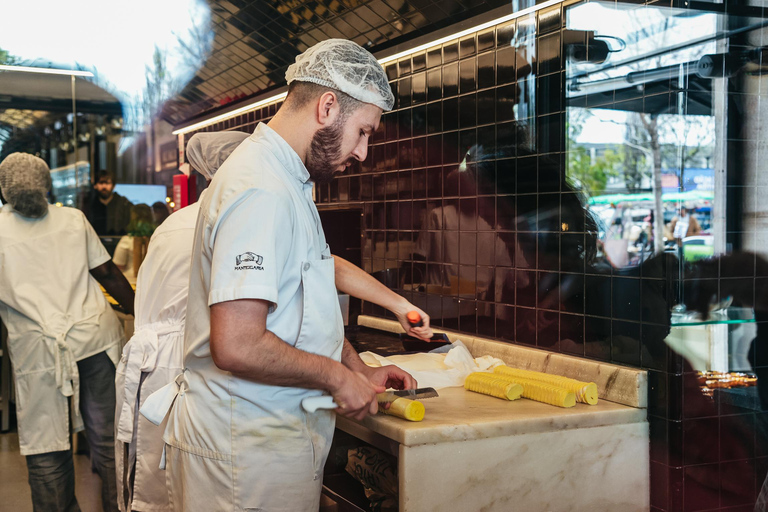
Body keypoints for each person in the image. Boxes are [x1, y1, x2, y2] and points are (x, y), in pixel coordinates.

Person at [140, 40, 427, 511]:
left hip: (271, 440)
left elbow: (307, 299)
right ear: (328, 106)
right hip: (244, 453)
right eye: (362, 131)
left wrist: (359, 369)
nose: (363, 152)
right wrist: (337, 378)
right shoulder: (260, 189)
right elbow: (237, 344)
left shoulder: (289, 184)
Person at [115, 131, 249, 512]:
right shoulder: (230, 222)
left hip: (150, 369)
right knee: (185, 492)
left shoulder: (175, 222)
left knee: (154, 492)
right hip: (187, 371)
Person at [0, 153, 135, 512]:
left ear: (4, 190)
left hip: (39, 351)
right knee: (108, 441)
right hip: (93, 339)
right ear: (46, 184)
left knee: (47, 446)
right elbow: (106, 273)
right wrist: (137, 307)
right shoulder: (72, 219)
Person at [113, 204, 155, 286]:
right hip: (151, 283)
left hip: (130, 282)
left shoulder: (126, 240)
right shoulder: (156, 239)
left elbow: (118, 266)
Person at [83, 170, 134, 236]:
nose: (104, 186)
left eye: (107, 183)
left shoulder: (124, 204)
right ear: (95, 185)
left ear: (113, 185)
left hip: (120, 243)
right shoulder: (90, 205)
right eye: (101, 183)